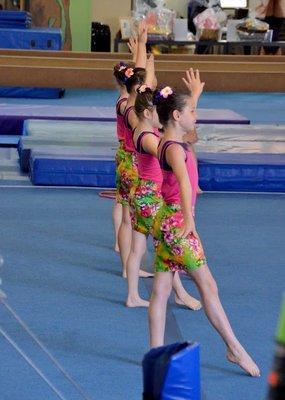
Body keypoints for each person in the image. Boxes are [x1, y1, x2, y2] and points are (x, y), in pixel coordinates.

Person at [148, 69, 260, 377]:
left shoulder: (168, 139)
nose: (196, 116)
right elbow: (184, 184)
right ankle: (234, 348)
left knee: (161, 290)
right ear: (176, 115)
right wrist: (189, 221)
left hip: (166, 222)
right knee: (207, 285)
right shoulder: (173, 148)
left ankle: (155, 352)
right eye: (192, 112)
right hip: (176, 224)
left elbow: (183, 124)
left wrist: (194, 96)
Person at [126, 55, 201, 311]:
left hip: (143, 194)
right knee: (164, 248)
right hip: (151, 197)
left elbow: (143, 90)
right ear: (148, 114)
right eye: (159, 114)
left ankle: (134, 294)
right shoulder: (150, 138)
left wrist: (148, 65)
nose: (162, 118)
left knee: (144, 248)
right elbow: (177, 145)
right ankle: (175, 293)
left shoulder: (140, 126)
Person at [117, 20, 152, 279]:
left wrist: (141, 44)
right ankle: (128, 267)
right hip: (131, 163)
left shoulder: (125, 99)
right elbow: (142, 81)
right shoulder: (130, 112)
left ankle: (128, 265)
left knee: (128, 218)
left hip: (126, 160)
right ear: (134, 89)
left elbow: (138, 75)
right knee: (129, 220)